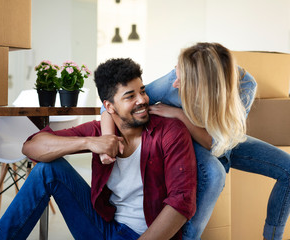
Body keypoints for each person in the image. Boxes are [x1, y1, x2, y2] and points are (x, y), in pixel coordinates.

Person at [0, 58, 197, 240]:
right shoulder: (100, 131)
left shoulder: (170, 132)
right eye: (130, 96)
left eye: (142, 91)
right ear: (109, 107)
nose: (142, 100)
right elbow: (31, 146)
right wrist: (88, 142)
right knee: (46, 171)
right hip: (103, 227)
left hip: (143, 235)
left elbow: (181, 203)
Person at [100, 42, 290, 240]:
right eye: (176, 73)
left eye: (182, 81)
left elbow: (218, 144)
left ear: (206, 85)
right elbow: (109, 106)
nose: (175, 83)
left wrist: (180, 114)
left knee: (288, 168)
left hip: (219, 137)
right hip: (186, 138)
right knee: (214, 174)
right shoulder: (172, 79)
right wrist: (107, 141)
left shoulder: (245, 86)